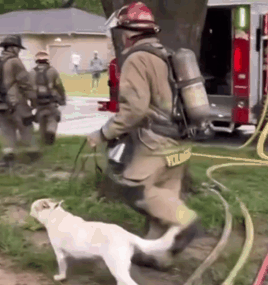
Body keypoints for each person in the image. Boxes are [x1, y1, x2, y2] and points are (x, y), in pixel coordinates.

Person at [86, 2, 201, 270]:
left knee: (136, 190)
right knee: (165, 193)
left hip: (155, 142)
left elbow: (134, 109)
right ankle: (157, 255)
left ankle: (186, 221)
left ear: (127, 31)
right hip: (179, 139)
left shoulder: (137, 58)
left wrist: (102, 134)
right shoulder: (166, 54)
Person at [0, 35, 41, 167]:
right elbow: (25, 83)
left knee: (7, 130)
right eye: (18, 48)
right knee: (26, 126)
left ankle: (8, 156)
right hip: (16, 102)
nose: (19, 51)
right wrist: (33, 100)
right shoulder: (15, 62)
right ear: (13, 48)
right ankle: (32, 154)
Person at [29, 50, 67, 146]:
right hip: (51, 101)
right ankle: (51, 131)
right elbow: (59, 86)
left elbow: (28, 89)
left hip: (38, 102)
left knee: (41, 120)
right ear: (47, 60)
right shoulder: (52, 71)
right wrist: (62, 98)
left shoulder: (31, 72)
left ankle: (43, 140)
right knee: (53, 118)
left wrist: (32, 102)